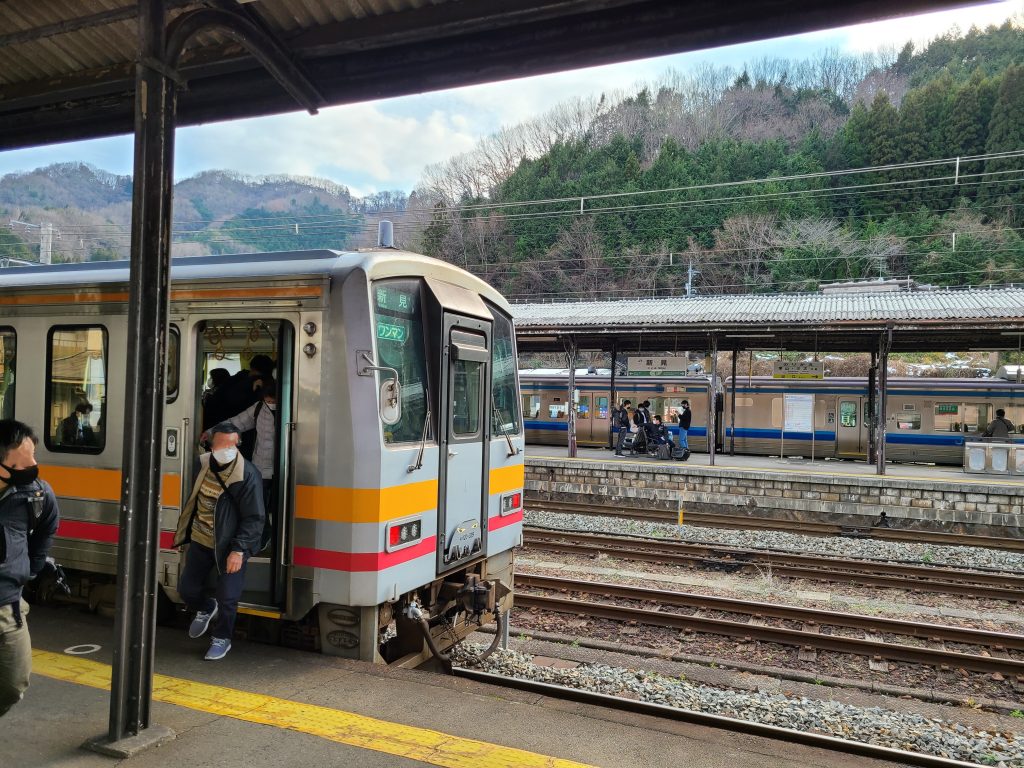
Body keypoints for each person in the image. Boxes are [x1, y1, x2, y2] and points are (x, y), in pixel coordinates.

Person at [173, 421, 265, 660]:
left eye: (233, 445)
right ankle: (205, 607)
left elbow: (254, 518)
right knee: (186, 589)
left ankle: (222, 637)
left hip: (230, 545)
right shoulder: (202, 464)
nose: (228, 449)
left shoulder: (248, 474)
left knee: (228, 597)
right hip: (201, 539)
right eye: (223, 445)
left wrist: (239, 549)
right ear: (211, 446)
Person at [0, 419, 59, 716]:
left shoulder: (35, 493)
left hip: (8, 605)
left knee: (13, 684)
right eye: (23, 464)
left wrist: (33, 567)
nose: (34, 467)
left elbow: (49, 523)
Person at [210, 379, 277, 545]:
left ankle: (277, 536)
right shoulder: (259, 409)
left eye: (273, 401)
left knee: (278, 506)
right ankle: (263, 536)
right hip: (261, 466)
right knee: (259, 505)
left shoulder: (292, 408)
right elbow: (236, 422)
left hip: (284, 469)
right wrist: (212, 431)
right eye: (267, 401)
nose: (271, 404)